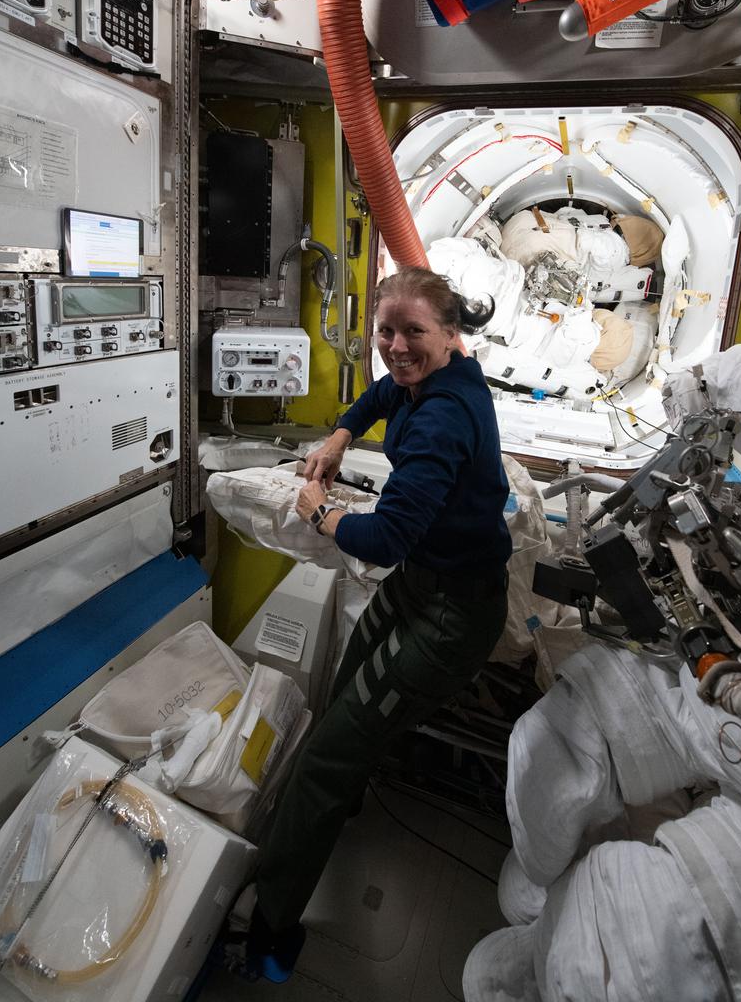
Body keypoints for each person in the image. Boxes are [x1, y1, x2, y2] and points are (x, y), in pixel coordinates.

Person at [236, 266, 513, 982]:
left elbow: (382, 540)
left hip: (451, 615)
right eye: (385, 331)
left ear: (450, 336)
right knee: (347, 682)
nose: (396, 346)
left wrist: (321, 513)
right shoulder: (431, 380)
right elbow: (383, 393)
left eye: (413, 332)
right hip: (421, 583)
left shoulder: (445, 417)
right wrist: (338, 436)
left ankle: (269, 931)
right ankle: (343, 795)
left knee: (324, 756)